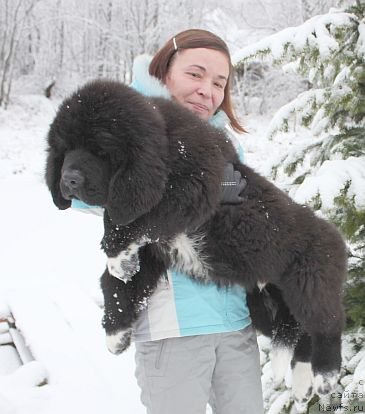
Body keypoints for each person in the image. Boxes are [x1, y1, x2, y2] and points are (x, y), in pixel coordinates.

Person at [72, 29, 263, 414]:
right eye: (195, 74)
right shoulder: (132, 129)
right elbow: (79, 192)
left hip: (235, 323)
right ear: (164, 72)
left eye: (219, 83)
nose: (207, 90)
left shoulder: (226, 143)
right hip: (173, 330)